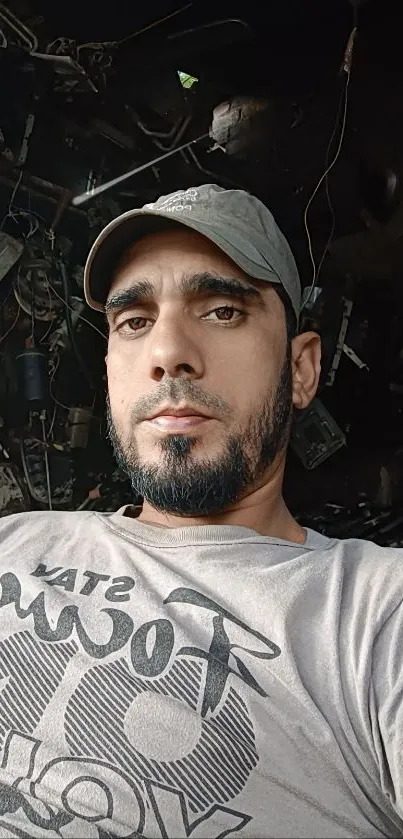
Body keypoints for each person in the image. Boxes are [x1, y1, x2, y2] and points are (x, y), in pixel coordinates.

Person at [0, 184, 401, 839]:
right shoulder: (13, 541)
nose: (166, 354)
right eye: (134, 321)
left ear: (300, 370)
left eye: (220, 310)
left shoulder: (373, 615)